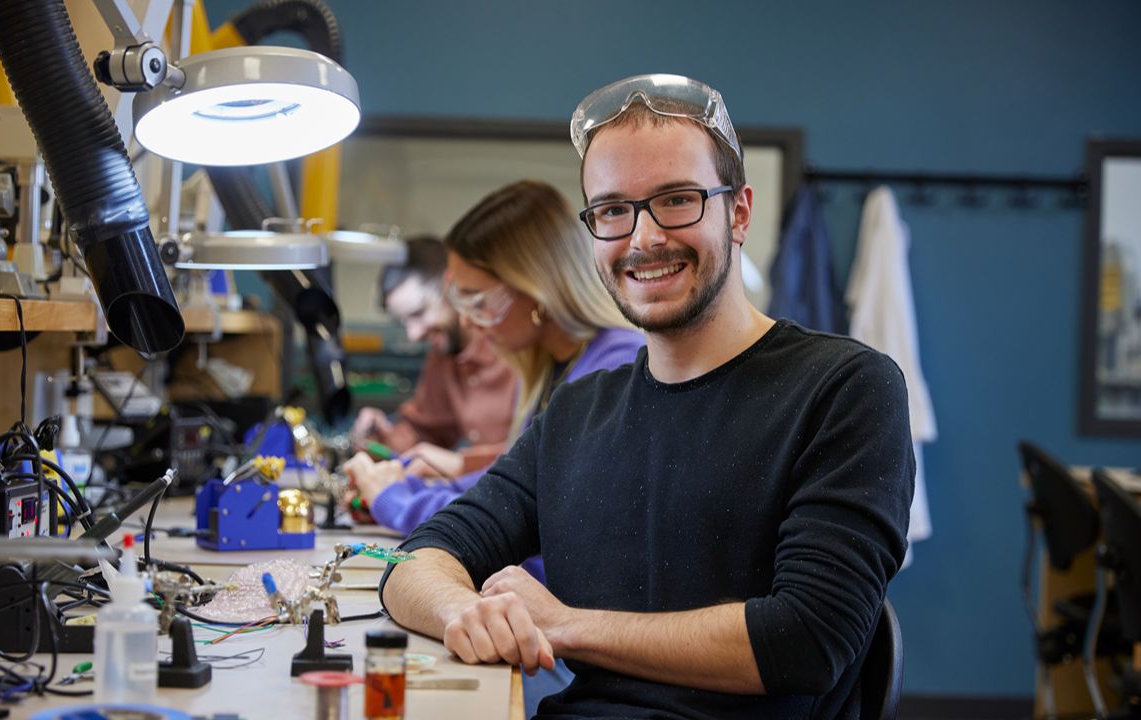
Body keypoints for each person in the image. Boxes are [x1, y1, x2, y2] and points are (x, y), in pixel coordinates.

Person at [379, 74, 915, 719]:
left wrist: (564, 625)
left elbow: (806, 640)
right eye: (612, 210)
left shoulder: (844, 388)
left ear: (738, 212)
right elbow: (418, 560)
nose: (643, 239)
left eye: (677, 200)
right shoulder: (577, 412)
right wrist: (462, 609)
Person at [345, 180, 644, 545]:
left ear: (534, 287)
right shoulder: (551, 367)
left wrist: (395, 501)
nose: (468, 321)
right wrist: (402, 484)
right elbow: (510, 484)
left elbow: (523, 521)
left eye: (477, 301)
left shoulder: (613, 369)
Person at [350, 235, 517, 477]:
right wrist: (380, 439)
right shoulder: (443, 356)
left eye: (419, 313)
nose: (414, 333)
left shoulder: (515, 347)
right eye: (403, 322)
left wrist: (461, 464)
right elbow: (424, 432)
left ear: (452, 287)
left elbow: (544, 454)